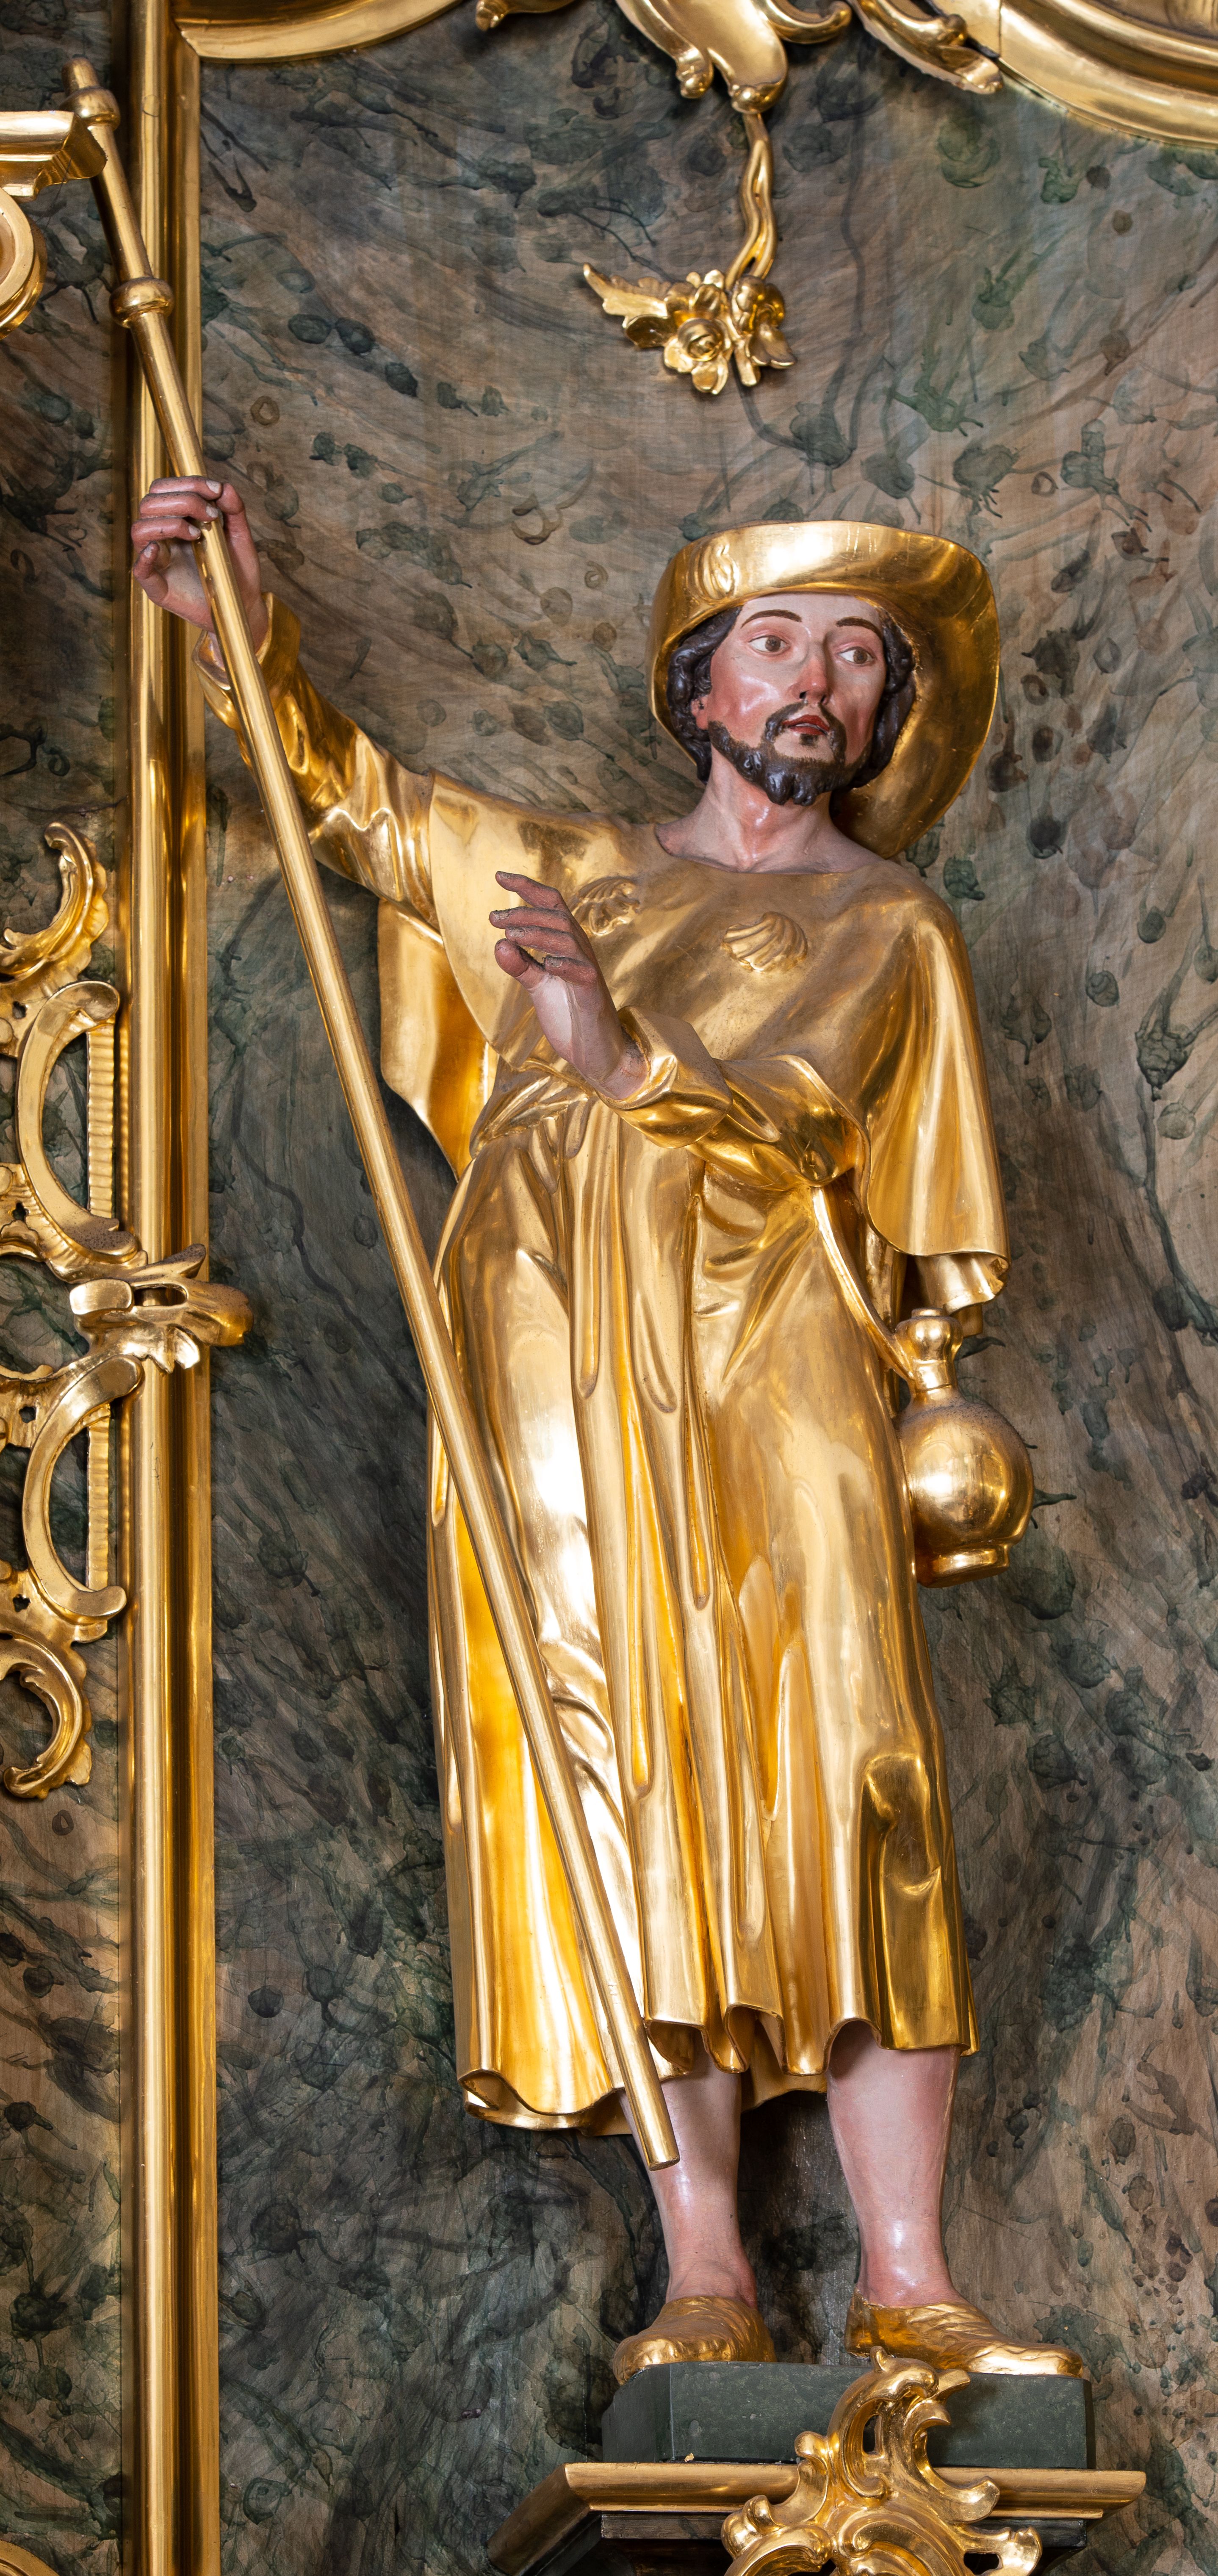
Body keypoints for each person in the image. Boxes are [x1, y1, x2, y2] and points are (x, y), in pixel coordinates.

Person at [131, 482, 1084, 2382]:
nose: (815, 682)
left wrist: (618, 1051)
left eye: (857, 656)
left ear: (883, 714)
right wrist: (233, 623)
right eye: (774, 642)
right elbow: (352, 803)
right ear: (697, 685)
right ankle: (704, 2263)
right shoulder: (567, 871)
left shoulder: (887, 923)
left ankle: (909, 2273)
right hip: (556, 1369)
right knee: (621, 1768)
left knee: (855, 1769)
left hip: (775, 1360)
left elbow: (814, 1119)